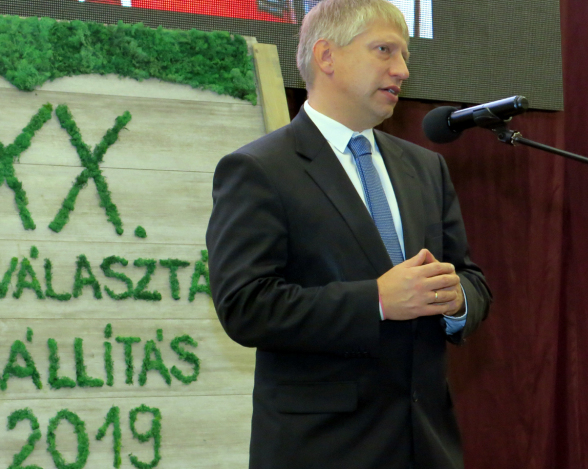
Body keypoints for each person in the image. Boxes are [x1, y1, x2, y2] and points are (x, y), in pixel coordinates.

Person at [205, 0, 493, 468]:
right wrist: (376, 300)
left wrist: (456, 298)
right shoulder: (259, 169)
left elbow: (470, 278)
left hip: (427, 444)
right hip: (323, 449)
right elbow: (246, 306)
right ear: (326, 56)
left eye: (405, 56)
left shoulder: (426, 167)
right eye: (384, 50)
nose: (401, 70)